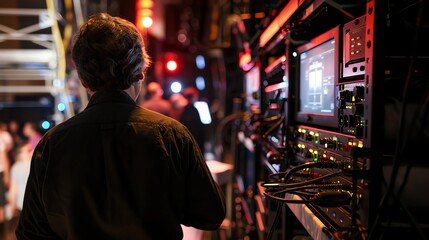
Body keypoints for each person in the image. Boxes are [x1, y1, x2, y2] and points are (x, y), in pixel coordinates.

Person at [16, 13, 225, 239]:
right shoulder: (172, 135)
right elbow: (210, 215)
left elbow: (30, 232)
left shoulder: (52, 144)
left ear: (84, 80)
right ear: (140, 72)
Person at [180, 87, 205, 154]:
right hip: (194, 141)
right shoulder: (193, 109)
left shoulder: (182, 109)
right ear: (194, 96)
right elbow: (198, 127)